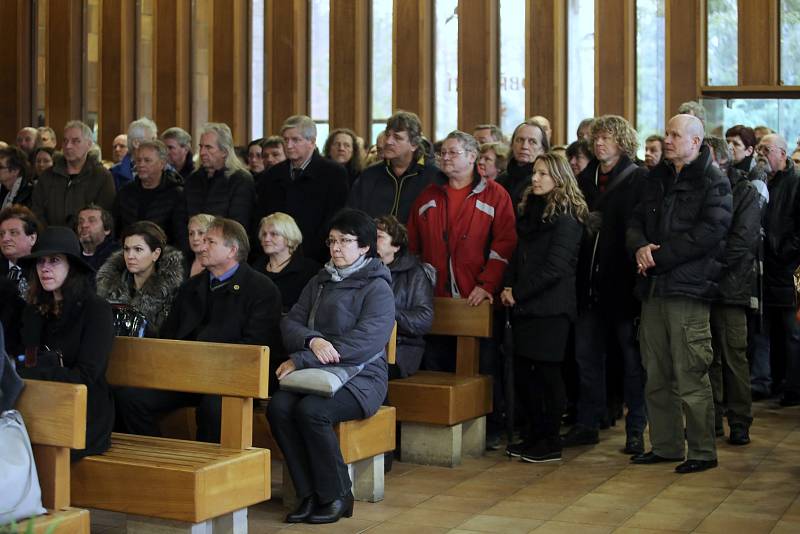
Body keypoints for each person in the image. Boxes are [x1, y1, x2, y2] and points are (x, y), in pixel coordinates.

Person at [267, 209, 395, 524]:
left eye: (345, 241)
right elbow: (291, 322)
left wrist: (303, 358)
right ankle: (308, 493)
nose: (336, 248)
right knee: (279, 407)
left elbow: (363, 344)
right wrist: (312, 341)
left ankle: (338, 495)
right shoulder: (320, 280)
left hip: (363, 377)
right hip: (318, 373)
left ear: (365, 247)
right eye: (332, 241)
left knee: (312, 412)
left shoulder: (377, 287)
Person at [627, 114, 732, 474]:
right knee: (656, 372)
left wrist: (657, 257)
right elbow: (635, 220)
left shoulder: (713, 181)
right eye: (667, 133)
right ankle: (667, 445)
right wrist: (640, 246)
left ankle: (702, 450)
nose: (667, 140)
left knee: (691, 373)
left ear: (695, 142)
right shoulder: (656, 178)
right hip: (653, 288)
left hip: (687, 288)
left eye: (675, 135)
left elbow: (710, 233)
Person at [115, 217, 282, 442]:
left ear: (232, 250)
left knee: (214, 410)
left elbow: (256, 346)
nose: (201, 246)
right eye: (202, 240)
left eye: (210, 242)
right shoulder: (191, 287)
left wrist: (203, 363)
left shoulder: (261, 289)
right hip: (186, 375)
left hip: (231, 378)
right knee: (129, 397)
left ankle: (210, 472)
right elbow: (169, 336)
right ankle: (161, 462)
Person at [567, 115, 649, 453]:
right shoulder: (585, 178)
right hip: (589, 284)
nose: (600, 143)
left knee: (631, 362)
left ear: (623, 142)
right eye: (597, 138)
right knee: (586, 357)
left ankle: (635, 428)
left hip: (622, 284)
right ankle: (588, 422)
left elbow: (641, 224)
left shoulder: (638, 178)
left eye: (608, 138)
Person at [501, 153, 587, 463]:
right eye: (535, 173)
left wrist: (518, 293)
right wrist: (508, 285)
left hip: (551, 309)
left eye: (543, 174)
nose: (534, 179)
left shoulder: (567, 218)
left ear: (560, 178)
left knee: (547, 377)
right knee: (526, 376)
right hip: (527, 306)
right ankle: (534, 436)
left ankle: (550, 441)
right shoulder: (532, 211)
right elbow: (518, 254)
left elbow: (555, 268)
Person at [17, 226, 115, 460]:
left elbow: (88, 375)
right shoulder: (34, 310)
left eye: (54, 261)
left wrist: (41, 371)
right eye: (40, 262)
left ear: (72, 267)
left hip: (85, 409)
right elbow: (29, 360)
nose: (45, 268)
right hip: (40, 403)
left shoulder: (96, 309)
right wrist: (40, 370)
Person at [704, 136, 759, 445]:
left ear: (721, 161)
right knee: (705, 356)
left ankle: (739, 420)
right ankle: (710, 419)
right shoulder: (699, 188)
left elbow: (741, 242)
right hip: (702, 285)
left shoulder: (745, 191)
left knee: (733, 356)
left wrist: (706, 265)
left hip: (730, 287)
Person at [255, 115, 349, 263]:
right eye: (285, 140)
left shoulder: (333, 173)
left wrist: (312, 251)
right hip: (275, 255)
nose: (289, 145)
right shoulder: (272, 174)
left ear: (312, 142)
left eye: (295, 140)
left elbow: (334, 217)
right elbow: (262, 215)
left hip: (316, 256)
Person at [750, 133, 800, 406]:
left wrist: (781, 251)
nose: (761, 154)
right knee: (761, 331)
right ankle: (761, 383)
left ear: (782, 153)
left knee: (792, 334)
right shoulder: (758, 181)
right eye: (759, 148)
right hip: (761, 270)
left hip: (788, 270)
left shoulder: (796, 182)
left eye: (766, 149)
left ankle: (793, 386)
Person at [96, 221, 185, 337]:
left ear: (156, 254)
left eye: (138, 249)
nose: (130, 256)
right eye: (126, 249)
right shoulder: (108, 287)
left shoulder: (175, 292)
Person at [348, 111, 438, 224]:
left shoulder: (433, 176)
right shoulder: (369, 175)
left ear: (414, 145)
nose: (388, 141)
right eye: (387, 134)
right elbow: (352, 216)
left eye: (397, 137)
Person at [376, 215, 434, 378]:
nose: (373, 242)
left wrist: (387, 312)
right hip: (369, 349)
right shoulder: (365, 270)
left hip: (403, 350)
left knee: (367, 373)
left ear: (396, 246)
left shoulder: (415, 273)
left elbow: (423, 320)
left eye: (379, 237)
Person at [32, 121, 115, 228]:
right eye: (65, 141)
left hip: (88, 241)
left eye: (76, 141)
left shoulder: (102, 176)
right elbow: (37, 211)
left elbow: (106, 216)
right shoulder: (48, 176)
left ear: (88, 144)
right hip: (50, 239)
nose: (68, 146)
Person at [113, 139, 188, 248]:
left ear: (162, 164)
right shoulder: (126, 192)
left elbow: (180, 236)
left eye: (147, 160)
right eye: (138, 160)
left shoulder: (176, 194)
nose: (141, 164)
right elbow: (116, 228)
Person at [185, 123, 256, 232]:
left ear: (224, 151)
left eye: (209, 147)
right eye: (201, 146)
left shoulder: (241, 180)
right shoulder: (192, 180)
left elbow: (238, 226)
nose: (202, 152)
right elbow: (182, 219)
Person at [251, 212, 320, 312]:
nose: (266, 239)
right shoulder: (255, 268)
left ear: (289, 237)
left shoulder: (310, 270)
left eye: (273, 234)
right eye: (264, 234)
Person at [0, 205, 40, 357]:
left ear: (32, 238)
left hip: (28, 351)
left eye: (13, 233)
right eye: (2, 234)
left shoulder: (43, 273)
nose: (5, 238)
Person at [497, 119, 550, 210]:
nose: (524, 146)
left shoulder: (546, 181)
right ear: (512, 145)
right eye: (520, 140)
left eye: (532, 142)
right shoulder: (501, 180)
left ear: (542, 149)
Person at [77, 204, 120, 272]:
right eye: (80, 222)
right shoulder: (70, 254)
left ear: (106, 229)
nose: (84, 225)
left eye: (91, 221)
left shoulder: (117, 257)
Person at [185, 213, 215, 278]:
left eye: (201, 233)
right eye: (191, 233)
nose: (195, 238)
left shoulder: (217, 265)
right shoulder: (181, 263)